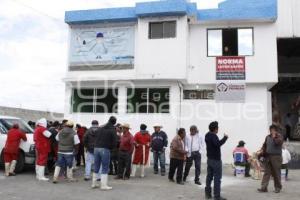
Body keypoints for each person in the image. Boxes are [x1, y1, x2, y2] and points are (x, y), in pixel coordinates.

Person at [205, 121, 228, 200]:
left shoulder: (207, 135)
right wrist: (225, 138)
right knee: (217, 178)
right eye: (217, 128)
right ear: (215, 129)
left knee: (209, 177)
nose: (218, 129)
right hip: (216, 160)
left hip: (209, 159)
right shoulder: (213, 136)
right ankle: (217, 196)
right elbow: (217, 144)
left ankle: (208, 194)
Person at [93, 116, 117, 190]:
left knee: (96, 166)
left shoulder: (101, 127)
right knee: (105, 167)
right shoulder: (112, 129)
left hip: (96, 148)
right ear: (114, 122)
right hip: (105, 149)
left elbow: (95, 136)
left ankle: (94, 184)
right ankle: (103, 185)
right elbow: (114, 141)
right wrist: (112, 148)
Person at [258, 125, 284, 193]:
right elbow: (264, 145)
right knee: (267, 172)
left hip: (276, 157)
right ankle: (264, 187)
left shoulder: (279, 136)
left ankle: (278, 187)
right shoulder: (267, 137)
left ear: (276, 130)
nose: (271, 131)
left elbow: (278, 142)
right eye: (271, 129)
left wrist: (274, 137)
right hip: (268, 157)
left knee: (276, 173)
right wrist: (262, 150)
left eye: (273, 129)